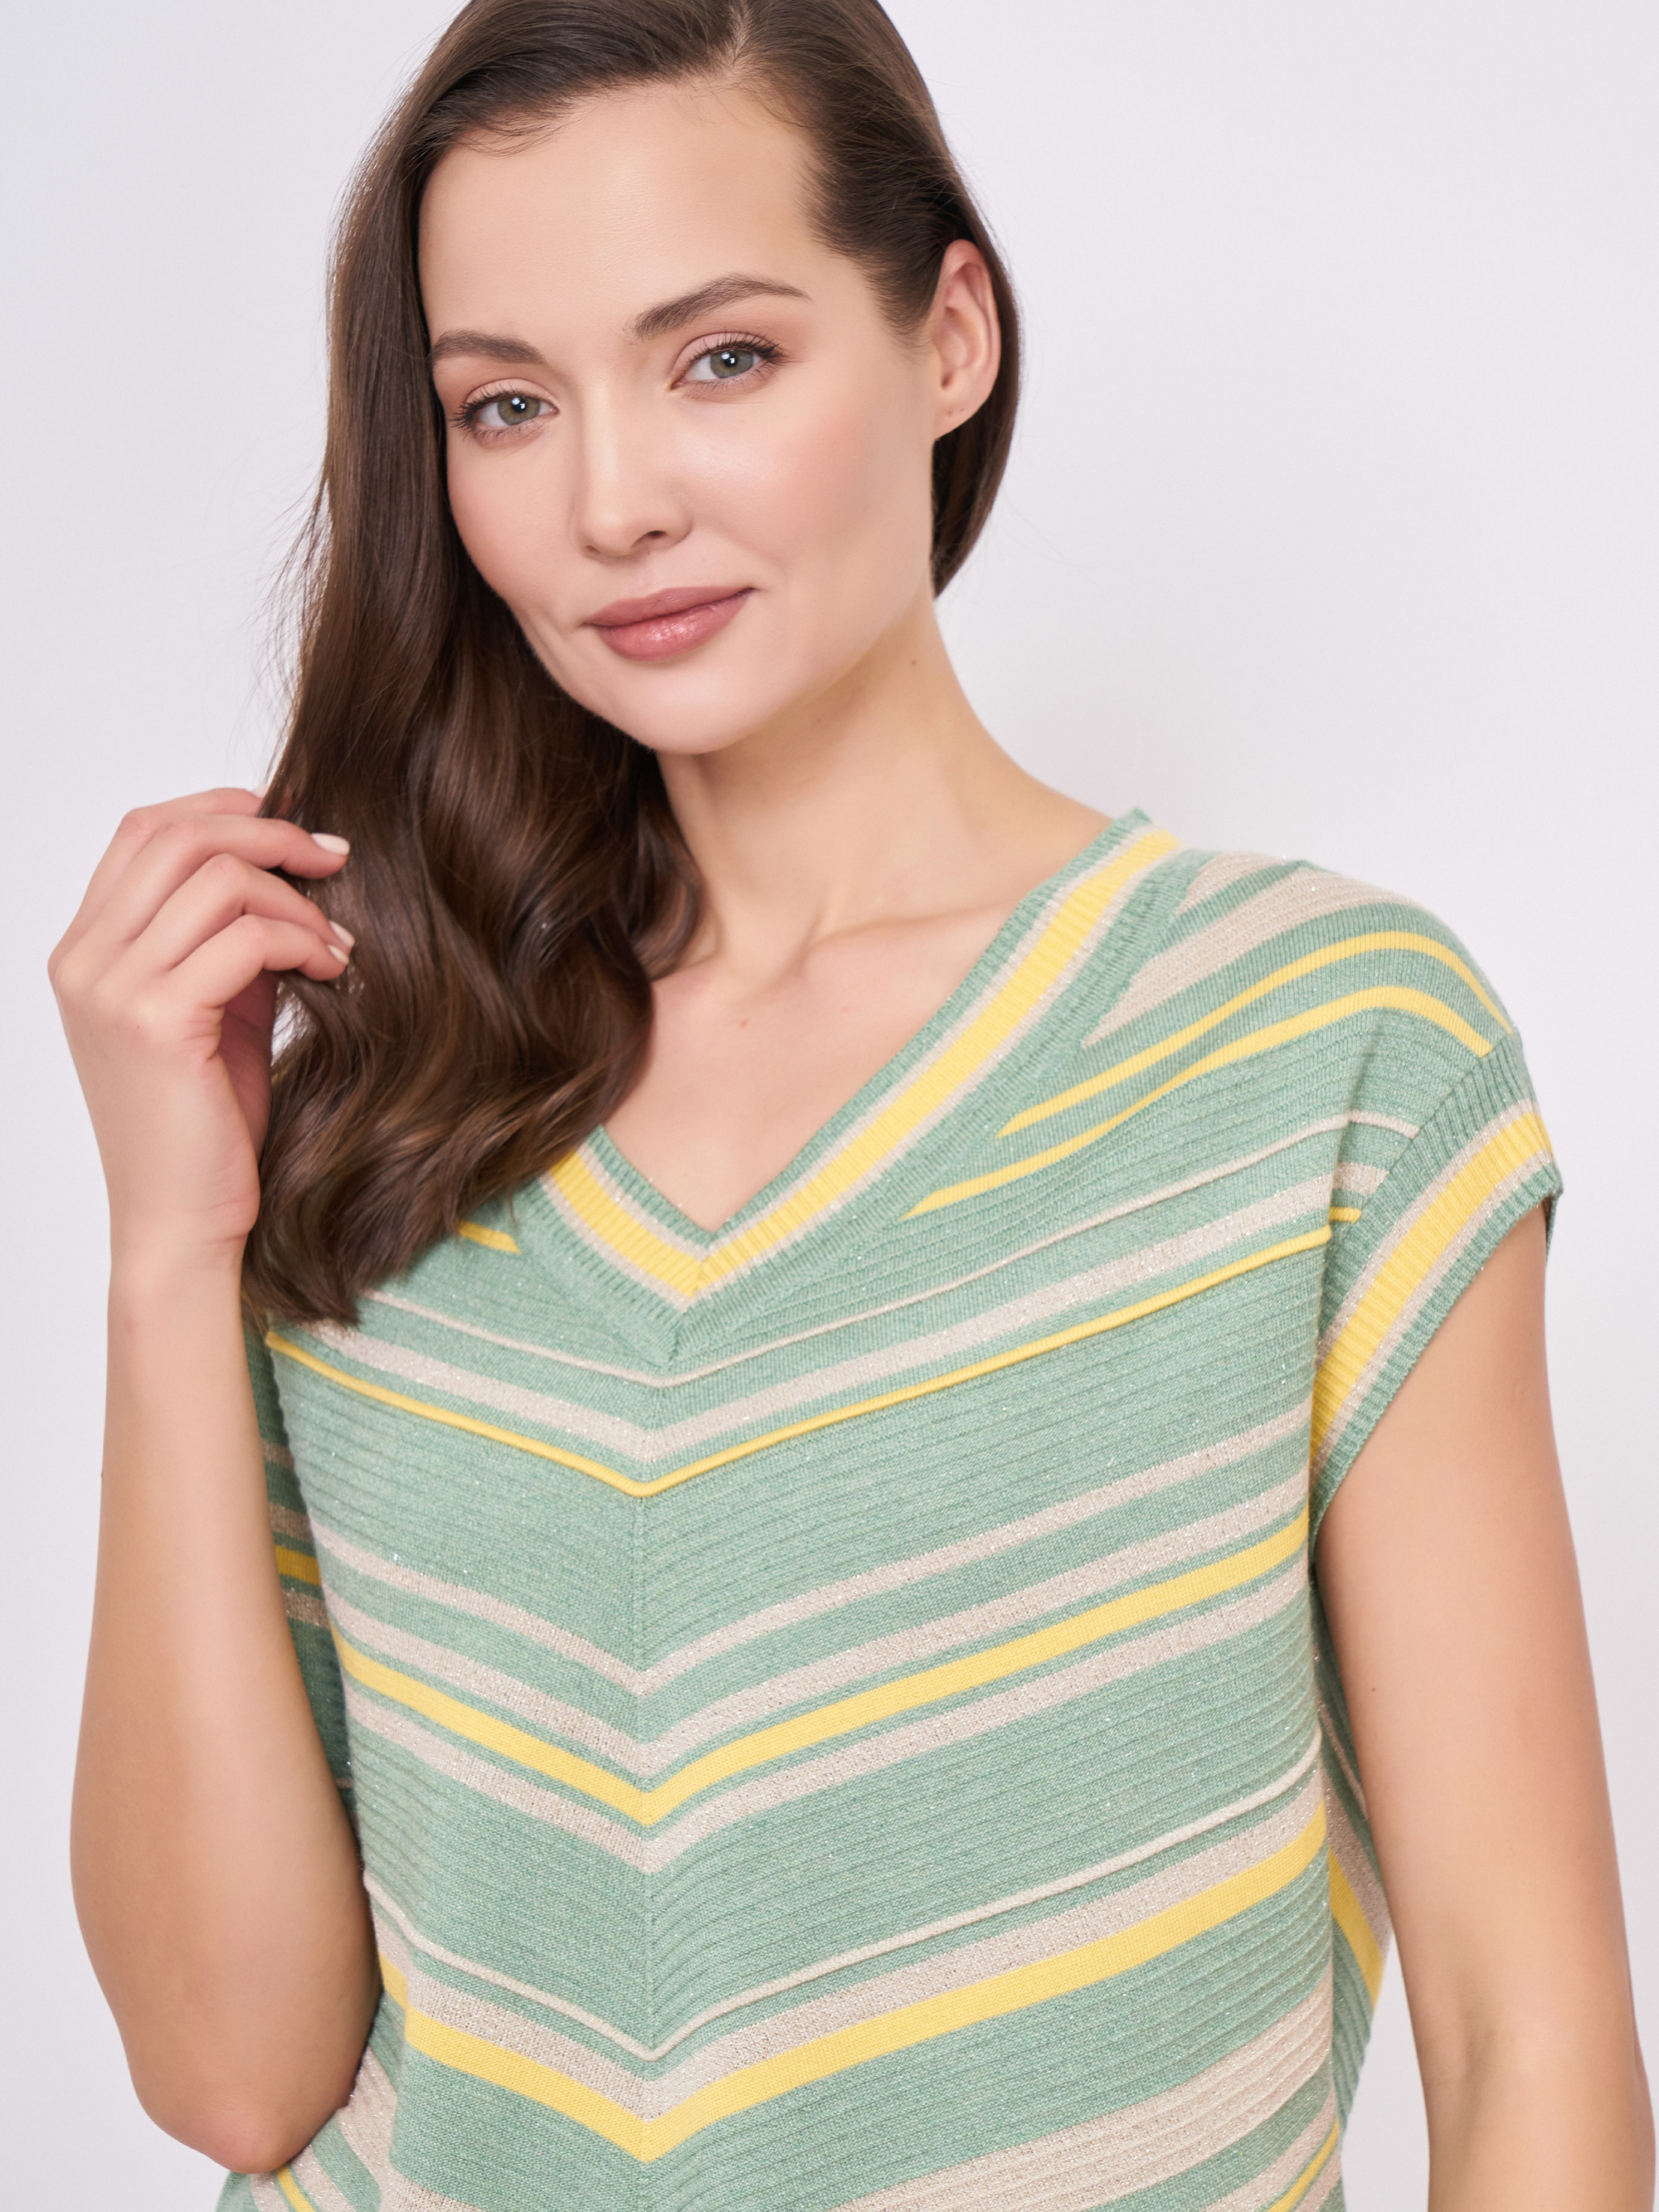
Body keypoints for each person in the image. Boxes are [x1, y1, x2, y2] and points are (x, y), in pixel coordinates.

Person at [49, 2, 1652, 2207]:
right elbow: (232, 2074)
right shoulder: (390, 1106)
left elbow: (1524, 2026)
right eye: (507, 404)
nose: (613, 501)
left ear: (949, 334)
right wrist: (166, 1252)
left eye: (722, 359)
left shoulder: (1325, 1061)